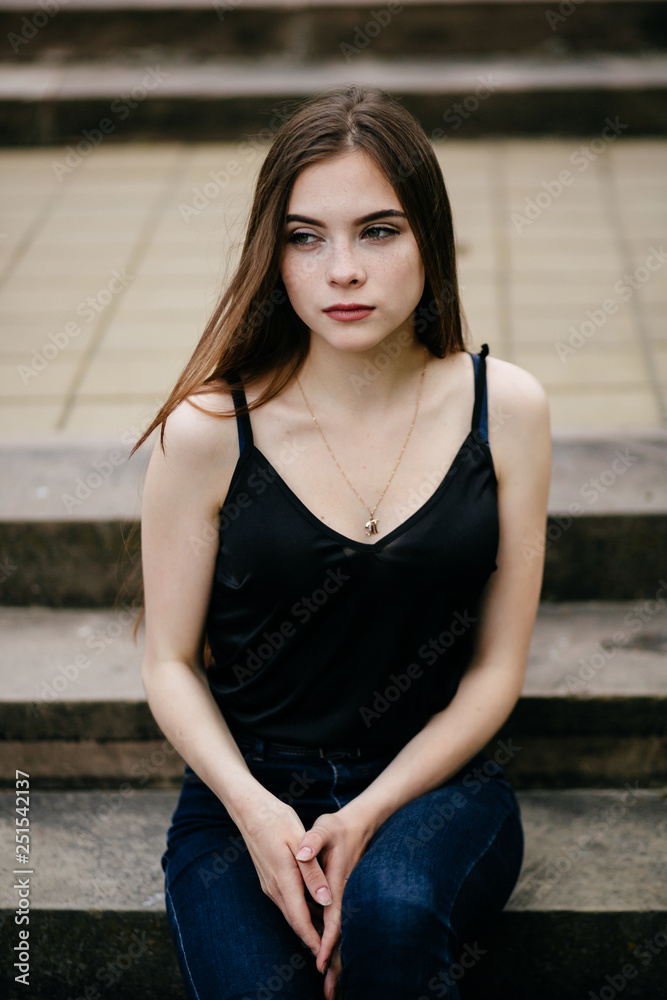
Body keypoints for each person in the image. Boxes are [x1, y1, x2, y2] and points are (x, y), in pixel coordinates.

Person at [131, 84, 551, 1000]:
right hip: (248, 792)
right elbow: (168, 661)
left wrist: (368, 811)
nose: (343, 271)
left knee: (391, 923)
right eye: (305, 237)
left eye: (378, 231)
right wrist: (255, 813)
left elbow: (494, 671)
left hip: (434, 788)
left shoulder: (506, 410)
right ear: (272, 256)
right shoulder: (208, 431)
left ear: (429, 240)